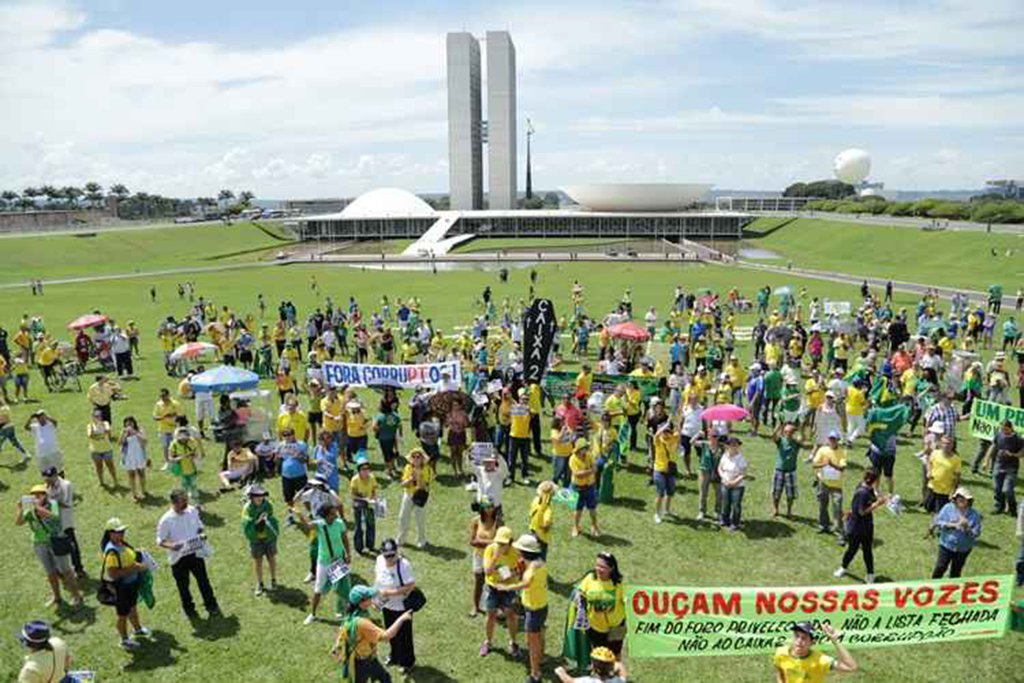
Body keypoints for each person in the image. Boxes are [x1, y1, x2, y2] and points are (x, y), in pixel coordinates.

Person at [156, 489, 221, 619]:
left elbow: (199, 526)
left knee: (204, 581)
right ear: (174, 503)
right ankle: (189, 609)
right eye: (183, 501)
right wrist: (172, 546)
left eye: (186, 499)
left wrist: (201, 534)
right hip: (178, 558)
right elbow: (159, 540)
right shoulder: (166, 520)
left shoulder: (192, 511)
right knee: (183, 586)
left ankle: (211, 605)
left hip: (195, 553)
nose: (186, 502)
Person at [16, 483, 82, 608]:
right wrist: (20, 508)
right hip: (39, 543)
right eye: (33, 495)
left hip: (55, 541)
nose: (36, 497)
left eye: (39, 494)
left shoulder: (53, 504)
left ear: (45, 495)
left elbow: (53, 517)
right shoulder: (29, 509)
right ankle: (57, 597)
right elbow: (19, 522)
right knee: (50, 572)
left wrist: (36, 507)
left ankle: (76, 595)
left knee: (66, 570)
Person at [332, 585, 412, 683]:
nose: (372, 599)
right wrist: (402, 618)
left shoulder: (354, 614)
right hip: (362, 663)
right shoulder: (362, 623)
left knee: (385, 678)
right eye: (369, 597)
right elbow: (386, 636)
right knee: (383, 679)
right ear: (362, 602)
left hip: (366, 658)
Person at [499, 534, 548, 683]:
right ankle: (541, 659)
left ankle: (535, 674)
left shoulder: (532, 568)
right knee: (539, 635)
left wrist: (505, 586)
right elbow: (520, 573)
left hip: (533, 609)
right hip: (540, 606)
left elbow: (525, 583)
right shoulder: (538, 562)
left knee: (532, 643)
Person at [101, 517, 152, 648]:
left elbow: (128, 558)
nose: (122, 533)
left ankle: (137, 629)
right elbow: (112, 574)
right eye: (118, 531)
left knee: (133, 607)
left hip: (131, 584)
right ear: (110, 533)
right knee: (122, 615)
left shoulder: (121, 543)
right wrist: (133, 568)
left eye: (123, 531)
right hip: (121, 588)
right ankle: (124, 640)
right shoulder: (111, 551)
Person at [298, 502, 352, 624]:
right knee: (318, 589)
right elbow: (307, 526)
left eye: (335, 513)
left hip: (338, 561)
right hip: (324, 562)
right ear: (325, 515)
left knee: (343, 588)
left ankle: (343, 612)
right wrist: (299, 515)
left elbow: (345, 539)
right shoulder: (319, 525)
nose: (335, 515)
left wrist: (348, 554)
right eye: (332, 513)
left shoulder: (339, 523)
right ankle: (313, 614)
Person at [577, 552, 627, 675]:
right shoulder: (590, 578)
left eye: (603, 567)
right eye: (597, 565)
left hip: (616, 625)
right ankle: (598, 676)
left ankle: (616, 677)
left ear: (611, 568)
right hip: (595, 626)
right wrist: (581, 612)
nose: (598, 569)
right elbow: (581, 594)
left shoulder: (618, 583)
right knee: (598, 653)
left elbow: (626, 599)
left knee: (615, 653)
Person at [835, 470, 887, 584]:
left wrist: (882, 500)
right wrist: (876, 505)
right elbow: (861, 511)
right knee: (852, 550)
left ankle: (870, 574)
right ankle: (843, 568)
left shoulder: (868, 490)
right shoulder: (862, 492)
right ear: (873, 481)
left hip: (867, 526)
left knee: (867, 551)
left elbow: (870, 500)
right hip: (856, 527)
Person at [373, 539, 417, 673]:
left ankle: (407, 662)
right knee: (391, 632)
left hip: (402, 607)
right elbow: (377, 580)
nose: (389, 558)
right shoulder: (379, 560)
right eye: (387, 555)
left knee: (404, 636)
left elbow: (410, 586)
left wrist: (390, 592)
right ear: (382, 553)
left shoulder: (404, 565)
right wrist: (376, 599)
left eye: (392, 555)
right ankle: (395, 656)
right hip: (387, 606)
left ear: (397, 552)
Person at [479, 525, 521, 658]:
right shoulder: (490, 550)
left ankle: (513, 643)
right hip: (493, 587)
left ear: (510, 542)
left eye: (503, 543)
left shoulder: (517, 552)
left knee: (511, 615)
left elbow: (520, 571)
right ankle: (488, 642)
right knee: (491, 615)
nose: (500, 545)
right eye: (498, 542)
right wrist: (496, 556)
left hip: (509, 588)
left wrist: (512, 575)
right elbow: (487, 571)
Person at [773, 621, 858, 682]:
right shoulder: (781, 653)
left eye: (804, 638)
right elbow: (780, 670)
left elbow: (851, 667)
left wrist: (835, 641)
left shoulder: (820, 660)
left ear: (812, 642)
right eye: (796, 636)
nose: (799, 641)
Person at [42, 466, 85, 577]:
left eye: (51, 477)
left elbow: (64, 503)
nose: (49, 479)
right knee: (55, 546)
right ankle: (59, 570)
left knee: (72, 546)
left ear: (56, 475)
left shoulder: (66, 485)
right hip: (53, 523)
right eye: (47, 477)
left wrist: (47, 498)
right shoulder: (46, 486)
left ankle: (79, 568)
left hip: (65, 521)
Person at [932, 487, 983, 579]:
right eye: (959, 497)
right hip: (946, 545)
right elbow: (938, 522)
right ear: (955, 499)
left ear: (969, 500)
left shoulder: (975, 515)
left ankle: (952, 590)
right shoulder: (948, 508)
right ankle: (932, 587)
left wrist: (967, 528)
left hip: (963, 549)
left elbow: (976, 534)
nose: (961, 499)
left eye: (964, 498)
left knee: (956, 571)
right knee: (940, 567)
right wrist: (952, 525)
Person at [242, 484, 279, 596]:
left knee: (271, 558)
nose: (260, 498)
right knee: (258, 561)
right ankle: (260, 583)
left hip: (268, 538)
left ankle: (273, 580)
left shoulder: (268, 505)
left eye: (262, 495)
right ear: (251, 497)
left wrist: (267, 521)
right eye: (256, 496)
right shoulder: (247, 508)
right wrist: (257, 522)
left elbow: (272, 519)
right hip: (256, 540)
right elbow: (246, 524)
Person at [812, 430, 847, 541]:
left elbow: (842, 468)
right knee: (823, 505)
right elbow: (814, 464)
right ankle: (824, 525)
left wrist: (831, 464)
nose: (832, 441)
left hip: (837, 486)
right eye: (830, 439)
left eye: (834, 439)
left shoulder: (842, 452)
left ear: (838, 440)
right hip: (824, 483)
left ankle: (840, 532)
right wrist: (824, 464)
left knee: (837, 508)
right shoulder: (822, 450)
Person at [397, 448, 433, 548]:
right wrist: (410, 479)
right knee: (403, 517)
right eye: (414, 456)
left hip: (420, 496)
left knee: (420, 519)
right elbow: (403, 484)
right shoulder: (408, 468)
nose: (416, 459)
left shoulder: (427, 469)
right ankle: (400, 539)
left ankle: (422, 540)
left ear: (422, 459)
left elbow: (424, 486)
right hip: (408, 494)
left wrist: (418, 477)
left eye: (418, 456)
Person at [469, 498, 499, 617]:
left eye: (491, 507)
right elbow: (472, 541)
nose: (490, 510)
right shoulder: (476, 521)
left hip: (492, 557)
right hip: (479, 556)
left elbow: (502, 540)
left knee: (492, 582)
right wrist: (492, 542)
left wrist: (483, 542)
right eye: (487, 507)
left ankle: (492, 606)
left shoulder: (498, 522)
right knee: (478, 581)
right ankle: (475, 606)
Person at [986, 420, 1022, 515]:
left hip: (1011, 467)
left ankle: (1012, 508)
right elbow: (993, 447)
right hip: (998, 465)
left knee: (1007, 490)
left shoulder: (1017, 439)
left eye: (1005, 429)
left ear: (1010, 428)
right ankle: (1000, 506)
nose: (1004, 431)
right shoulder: (999, 435)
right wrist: (986, 460)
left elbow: (1022, 453)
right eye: (1002, 429)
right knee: (997, 488)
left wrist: (1013, 454)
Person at [569, 438, 600, 537]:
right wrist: (590, 471)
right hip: (577, 487)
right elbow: (578, 474)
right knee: (578, 510)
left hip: (590, 486)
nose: (586, 450)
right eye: (584, 448)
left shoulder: (589, 455)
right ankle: (575, 527)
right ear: (579, 449)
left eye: (587, 448)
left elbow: (595, 468)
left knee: (592, 508)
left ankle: (594, 526)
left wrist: (587, 471)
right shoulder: (573, 459)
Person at [771, 422, 802, 518]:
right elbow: (773, 437)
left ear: (794, 432)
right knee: (776, 492)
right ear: (783, 432)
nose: (788, 433)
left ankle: (789, 511)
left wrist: (800, 429)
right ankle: (776, 509)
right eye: (786, 431)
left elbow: (803, 438)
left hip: (791, 471)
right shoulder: (781, 441)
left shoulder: (796, 443)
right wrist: (778, 428)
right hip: (779, 470)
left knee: (790, 494)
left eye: (791, 431)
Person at [925, 435, 962, 514]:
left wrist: (954, 491)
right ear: (941, 444)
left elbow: (957, 476)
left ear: (952, 445)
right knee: (928, 508)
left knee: (939, 512)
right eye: (944, 443)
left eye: (948, 444)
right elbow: (929, 462)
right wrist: (929, 471)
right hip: (932, 486)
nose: (946, 446)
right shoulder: (935, 453)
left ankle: (936, 524)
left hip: (945, 491)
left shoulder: (956, 459)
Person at [350, 454, 379, 554]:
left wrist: (374, 497)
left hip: (370, 504)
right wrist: (364, 499)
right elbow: (353, 496)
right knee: (358, 526)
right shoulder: (355, 479)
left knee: (371, 524)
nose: (366, 470)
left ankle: (370, 545)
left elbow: (374, 489)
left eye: (367, 468)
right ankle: (359, 547)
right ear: (359, 470)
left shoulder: (372, 478)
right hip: (358, 504)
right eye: (363, 468)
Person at [718, 436, 748, 531]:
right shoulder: (725, 456)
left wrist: (734, 482)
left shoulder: (741, 458)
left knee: (736, 505)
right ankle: (724, 520)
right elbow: (720, 468)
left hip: (737, 486)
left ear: (738, 446)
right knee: (725, 503)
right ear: (727, 446)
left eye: (735, 445)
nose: (733, 447)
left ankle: (735, 523)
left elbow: (743, 473)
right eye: (731, 445)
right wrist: (724, 479)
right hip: (725, 483)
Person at [652, 421, 679, 523]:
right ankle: (657, 514)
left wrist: (677, 422)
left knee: (670, 492)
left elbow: (679, 432)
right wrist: (664, 426)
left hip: (670, 471)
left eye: (668, 431)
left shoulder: (673, 438)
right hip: (659, 471)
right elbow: (656, 435)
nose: (666, 433)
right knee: (660, 494)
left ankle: (667, 510)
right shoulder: (658, 440)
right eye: (664, 431)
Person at [168, 426, 202, 506]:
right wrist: (179, 458)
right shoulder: (174, 444)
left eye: (185, 437)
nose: (183, 439)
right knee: (184, 488)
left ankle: (196, 504)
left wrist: (192, 456)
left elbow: (196, 454)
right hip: (181, 471)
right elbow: (170, 458)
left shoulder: (191, 442)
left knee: (193, 486)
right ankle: (184, 504)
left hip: (192, 469)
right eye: (181, 437)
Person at [118, 416, 150, 501]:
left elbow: (145, 441)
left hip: (139, 455)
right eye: (127, 423)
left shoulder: (139, 430)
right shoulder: (124, 432)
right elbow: (120, 443)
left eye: (130, 422)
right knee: (131, 475)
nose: (129, 425)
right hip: (128, 455)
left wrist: (135, 433)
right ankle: (134, 494)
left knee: (141, 473)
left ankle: (144, 490)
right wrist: (124, 435)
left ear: (134, 423)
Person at [555, 645, 626, 683]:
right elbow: (621, 669)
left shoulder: (587, 681)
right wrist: (613, 665)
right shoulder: (617, 681)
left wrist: (560, 672)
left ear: (592, 665)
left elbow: (569, 681)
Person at [277, 427, 310, 507]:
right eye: (284, 435)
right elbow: (279, 459)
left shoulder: (301, 445)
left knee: (305, 496)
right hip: (286, 476)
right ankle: (290, 515)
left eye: (289, 435)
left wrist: (297, 455)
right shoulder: (281, 445)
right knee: (288, 498)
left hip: (300, 475)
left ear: (293, 435)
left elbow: (306, 460)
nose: (287, 437)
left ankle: (311, 513)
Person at [86, 408, 118, 487]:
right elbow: (90, 435)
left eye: (99, 416)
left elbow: (107, 432)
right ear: (92, 417)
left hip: (106, 449)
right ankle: (101, 481)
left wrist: (98, 434)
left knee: (110, 466)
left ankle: (115, 480)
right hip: (95, 450)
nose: (97, 418)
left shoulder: (105, 423)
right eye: (95, 416)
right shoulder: (90, 426)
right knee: (98, 467)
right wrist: (98, 433)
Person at [25, 410, 63, 474]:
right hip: (41, 454)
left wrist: (47, 417)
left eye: (41, 417)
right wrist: (30, 418)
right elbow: (26, 427)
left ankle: (61, 483)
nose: (40, 419)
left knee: (58, 470)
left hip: (53, 452)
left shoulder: (50, 425)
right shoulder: (35, 426)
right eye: (38, 417)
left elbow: (55, 422)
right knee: (45, 472)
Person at [528, 480, 556, 559]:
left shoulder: (535, 500)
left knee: (530, 553)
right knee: (541, 558)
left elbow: (530, 514)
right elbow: (545, 527)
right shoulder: (548, 511)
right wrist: (549, 525)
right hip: (542, 538)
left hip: (532, 530)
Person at [0, 396, 29, 464]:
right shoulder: (6, 408)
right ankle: (25, 454)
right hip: (10, 427)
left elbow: (5, 420)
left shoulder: (2, 409)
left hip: (5, 428)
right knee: (15, 442)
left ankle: (25, 454)